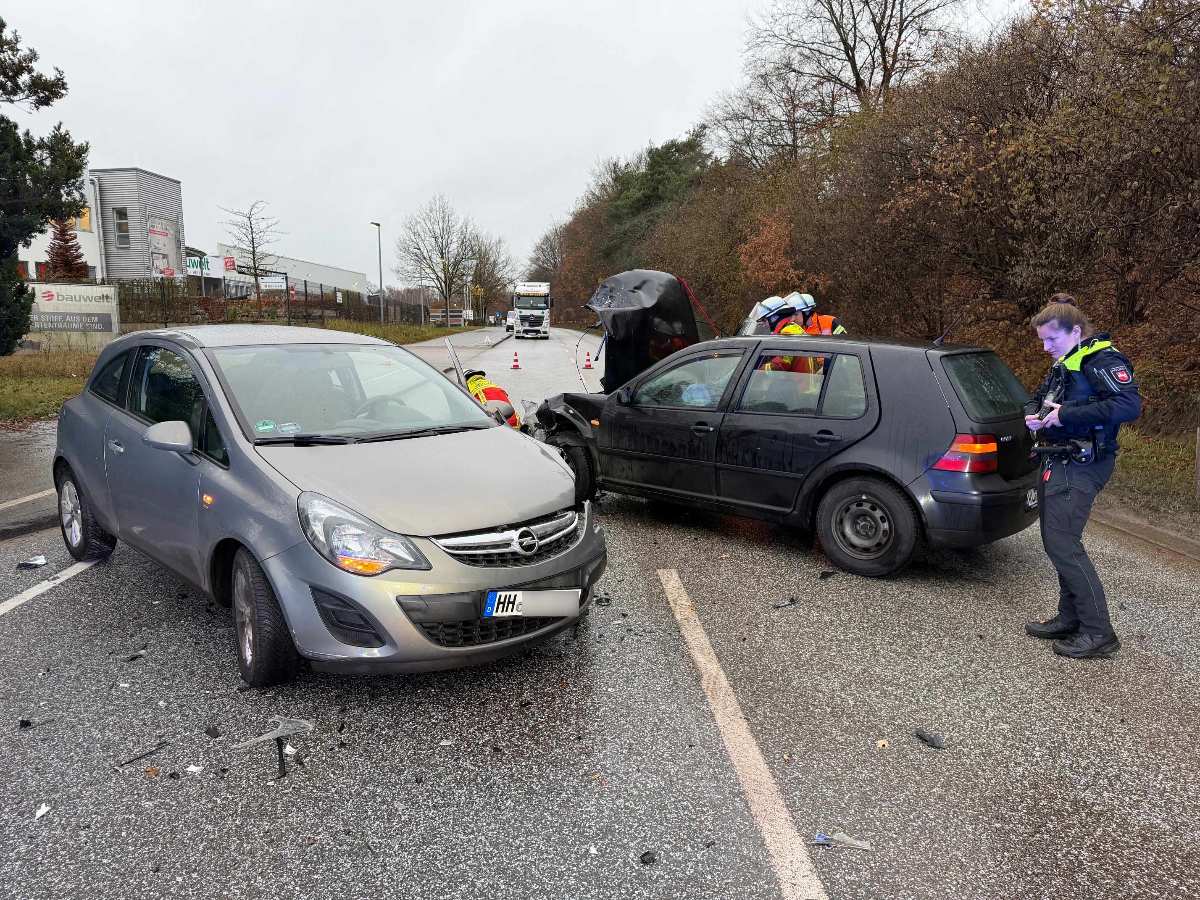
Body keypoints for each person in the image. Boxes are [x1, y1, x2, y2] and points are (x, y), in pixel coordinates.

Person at [1023, 294, 1141, 659]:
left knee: (1063, 546)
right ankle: (1070, 617)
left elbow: (1128, 404)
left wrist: (1065, 415)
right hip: (1058, 459)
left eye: (1051, 339)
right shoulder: (1064, 363)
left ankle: (1099, 632)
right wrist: (1035, 415)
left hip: (1083, 464)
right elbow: (1039, 397)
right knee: (1059, 543)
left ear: (1075, 331)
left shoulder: (1102, 360)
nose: (1045, 347)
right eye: (1042, 340)